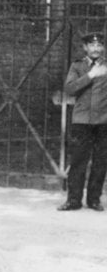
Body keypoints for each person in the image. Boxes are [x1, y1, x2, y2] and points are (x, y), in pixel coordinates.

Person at [59, 30, 107, 211]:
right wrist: (90, 76)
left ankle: (94, 200)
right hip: (81, 121)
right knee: (79, 161)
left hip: (103, 122)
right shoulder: (77, 66)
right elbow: (69, 89)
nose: (96, 48)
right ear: (85, 48)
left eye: (99, 45)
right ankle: (73, 200)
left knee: (101, 162)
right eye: (92, 45)